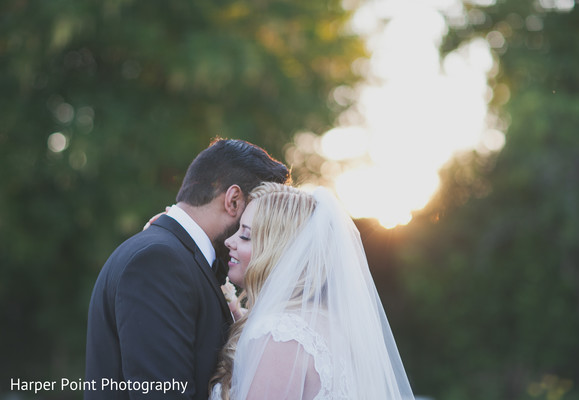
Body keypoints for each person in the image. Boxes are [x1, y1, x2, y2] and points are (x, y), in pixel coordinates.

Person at [85, 139, 290, 400]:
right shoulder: (158, 262)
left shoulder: (173, 256)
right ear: (234, 201)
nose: (265, 234)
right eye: (258, 216)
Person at [209, 182, 414, 400]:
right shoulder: (334, 325)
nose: (229, 241)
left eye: (245, 235)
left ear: (276, 250)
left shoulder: (279, 335)